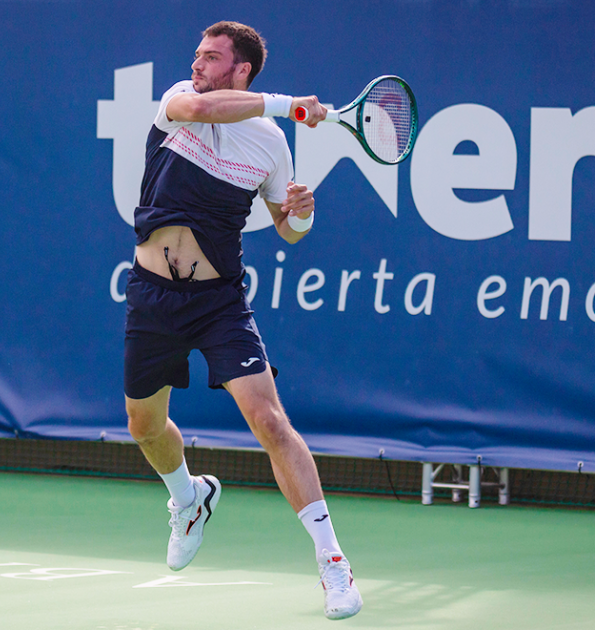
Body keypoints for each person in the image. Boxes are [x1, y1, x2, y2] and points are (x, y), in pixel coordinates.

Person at [123, 22, 362, 619]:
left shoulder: (271, 147)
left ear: (242, 69)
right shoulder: (182, 99)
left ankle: (333, 563)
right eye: (198, 55)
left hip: (218, 302)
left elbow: (287, 226)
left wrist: (301, 215)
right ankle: (189, 497)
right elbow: (201, 104)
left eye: (212, 57)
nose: (198, 64)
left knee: (271, 422)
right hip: (151, 297)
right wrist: (290, 105)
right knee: (144, 428)